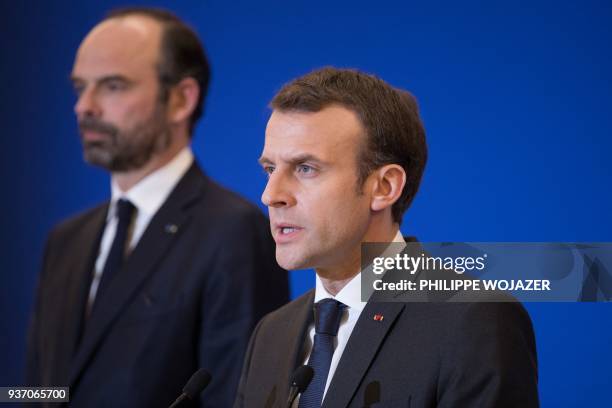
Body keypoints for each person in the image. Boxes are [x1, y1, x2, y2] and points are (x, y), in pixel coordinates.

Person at [26, 7, 288, 407]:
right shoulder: (66, 240)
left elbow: (238, 396)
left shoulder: (235, 231)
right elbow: (39, 389)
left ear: (181, 99)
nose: (84, 107)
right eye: (80, 87)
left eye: (112, 86)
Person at [234, 67, 539, 407]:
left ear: (384, 187)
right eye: (270, 169)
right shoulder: (271, 334)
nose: (271, 195)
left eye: (305, 168)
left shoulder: (474, 323)